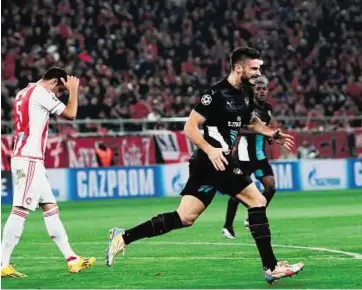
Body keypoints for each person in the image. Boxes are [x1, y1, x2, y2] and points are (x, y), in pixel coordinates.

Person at [105, 47, 304, 284]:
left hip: (210, 163)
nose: (258, 72)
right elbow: (189, 127)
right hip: (213, 159)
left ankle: (123, 237)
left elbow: (251, 121)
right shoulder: (215, 93)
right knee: (257, 200)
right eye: (254, 68)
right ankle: (271, 267)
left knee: (185, 217)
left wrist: (272, 133)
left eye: (259, 68)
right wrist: (210, 150)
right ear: (238, 68)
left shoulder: (247, 93)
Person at [1, 67, 95, 278]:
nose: (58, 95)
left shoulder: (23, 91)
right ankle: (2, 263)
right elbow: (70, 114)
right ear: (54, 82)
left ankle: (72, 259)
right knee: (21, 209)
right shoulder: (41, 93)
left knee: (50, 207)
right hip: (29, 159)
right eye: (60, 90)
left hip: (27, 158)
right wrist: (73, 90)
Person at [222, 76, 277, 239]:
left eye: (264, 89)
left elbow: (267, 129)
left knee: (271, 187)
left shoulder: (267, 109)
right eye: (258, 89)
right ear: (253, 91)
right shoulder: (246, 108)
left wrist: (270, 137)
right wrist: (261, 131)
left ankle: (252, 216)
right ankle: (227, 225)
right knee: (238, 193)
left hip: (259, 157)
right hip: (244, 157)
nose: (261, 91)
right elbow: (238, 129)